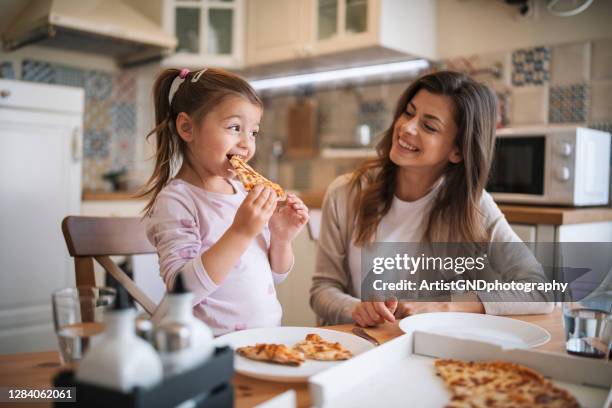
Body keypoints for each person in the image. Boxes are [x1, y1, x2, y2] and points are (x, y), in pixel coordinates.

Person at [310, 71, 554, 327]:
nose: (406, 127)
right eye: (408, 112)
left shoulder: (474, 207)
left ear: (457, 150)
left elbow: (542, 291)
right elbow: (323, 289)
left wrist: (447, 306)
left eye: (429, 126)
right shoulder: (344, 193)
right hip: (359, 347)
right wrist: (357, 309)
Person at [143, 68, 309, 335]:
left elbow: (276, 276)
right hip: (211, 350)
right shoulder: (177, 201)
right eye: (234, 128)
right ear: (187, 127)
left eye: (253, 132)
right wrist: (241, 232)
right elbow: (180, 292)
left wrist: (281, 239)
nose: (246, 144)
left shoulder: (243, 194)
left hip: (267, 339)